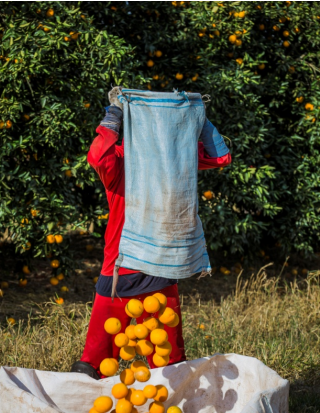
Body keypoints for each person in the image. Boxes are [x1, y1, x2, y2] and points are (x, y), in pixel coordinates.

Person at [71, 88, 231, 379]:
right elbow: (97, 156)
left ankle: (169, 412)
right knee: (92, 364)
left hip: (158, 264)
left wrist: (198, 115)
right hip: (122, 266)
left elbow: (220, 156)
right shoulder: (120, 159)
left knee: (167, 359)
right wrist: (115, 115)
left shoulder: (173, 158)